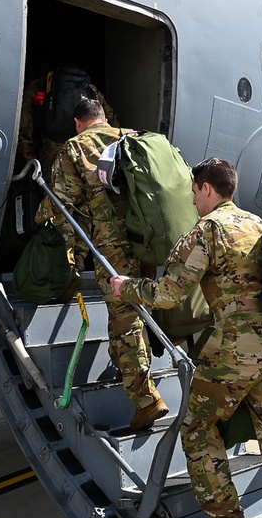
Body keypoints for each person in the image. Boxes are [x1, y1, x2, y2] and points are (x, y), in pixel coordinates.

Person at [111, 158, 262, 518]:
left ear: (207, 188)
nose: (194, 201)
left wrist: (125, 286)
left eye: (195, 193)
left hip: (234, 356)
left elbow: (168, 293)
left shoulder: (208, 230)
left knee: (196, 428)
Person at [35, 97, 167, 431]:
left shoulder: (74, 148)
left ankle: (146, 399)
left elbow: (63, 204)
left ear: (78, 122)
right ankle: (132, 364)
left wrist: (40, 221)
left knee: (124, 319)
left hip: (114, 245)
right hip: (148, 235)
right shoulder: (132, 136)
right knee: (142, 306)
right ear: (104, 117)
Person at [17, 68, 119, 171]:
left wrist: (27, 146)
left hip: (54, 143)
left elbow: (25, 116)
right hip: (86, 142)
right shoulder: (89, 87)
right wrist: (116, 141)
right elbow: (108, 113)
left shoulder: (40, 86)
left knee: (53, 181)